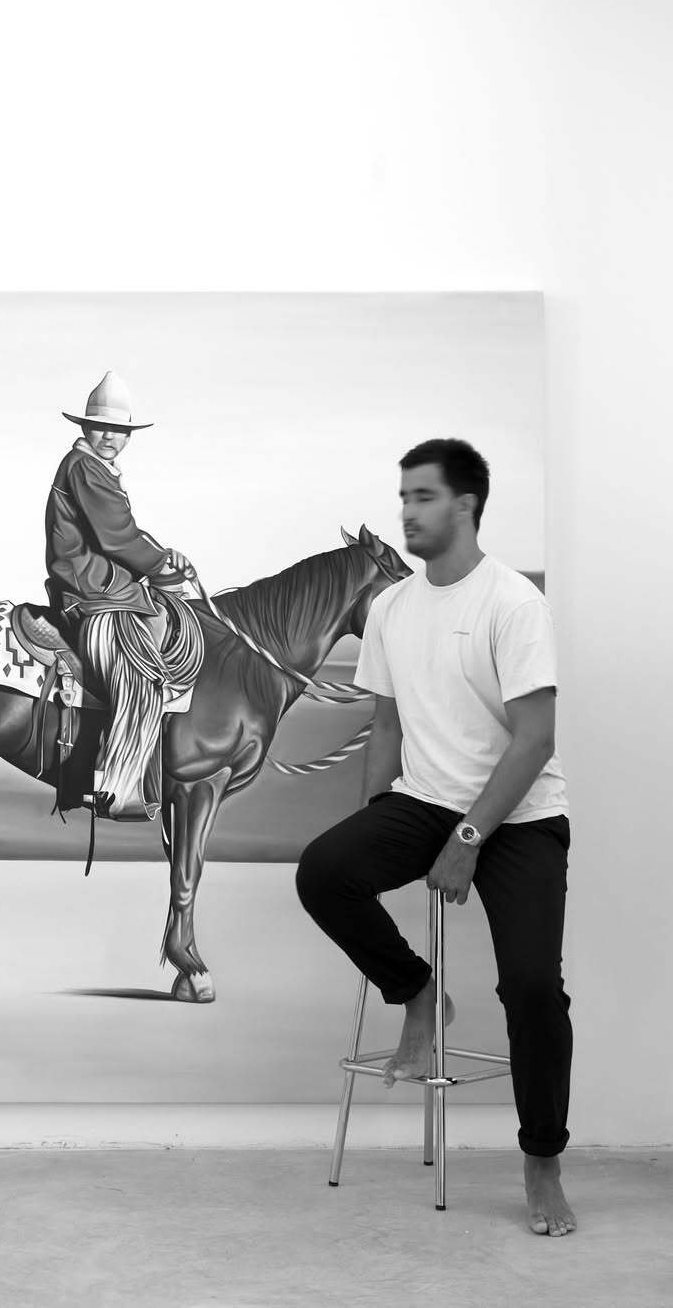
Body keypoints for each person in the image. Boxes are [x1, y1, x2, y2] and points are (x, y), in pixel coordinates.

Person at [296, 438, 576, 1237]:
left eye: (422, 497)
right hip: (423, 802)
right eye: (404, 497)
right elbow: (386, 722)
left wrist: (469, 834)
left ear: (466, 505)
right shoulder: (391, 608)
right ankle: (419, 992)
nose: (407, 512)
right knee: (323, 871)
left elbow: (535, 739)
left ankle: (542, 1160)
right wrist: (368, 822)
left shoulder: (513, 604)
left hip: (518, 814)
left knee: (531, 989)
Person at [45, 371, 193, 818]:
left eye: (120, 430)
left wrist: (163, 556)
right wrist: (161, 564)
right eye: (102, 427)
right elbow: (116, 538)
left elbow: (122, 532)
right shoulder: (85, 468)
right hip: (89, 586)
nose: (111, 437)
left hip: (104, 579)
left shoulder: (96, 468)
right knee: (141, 676)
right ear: (85, 429)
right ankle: (114, 785)